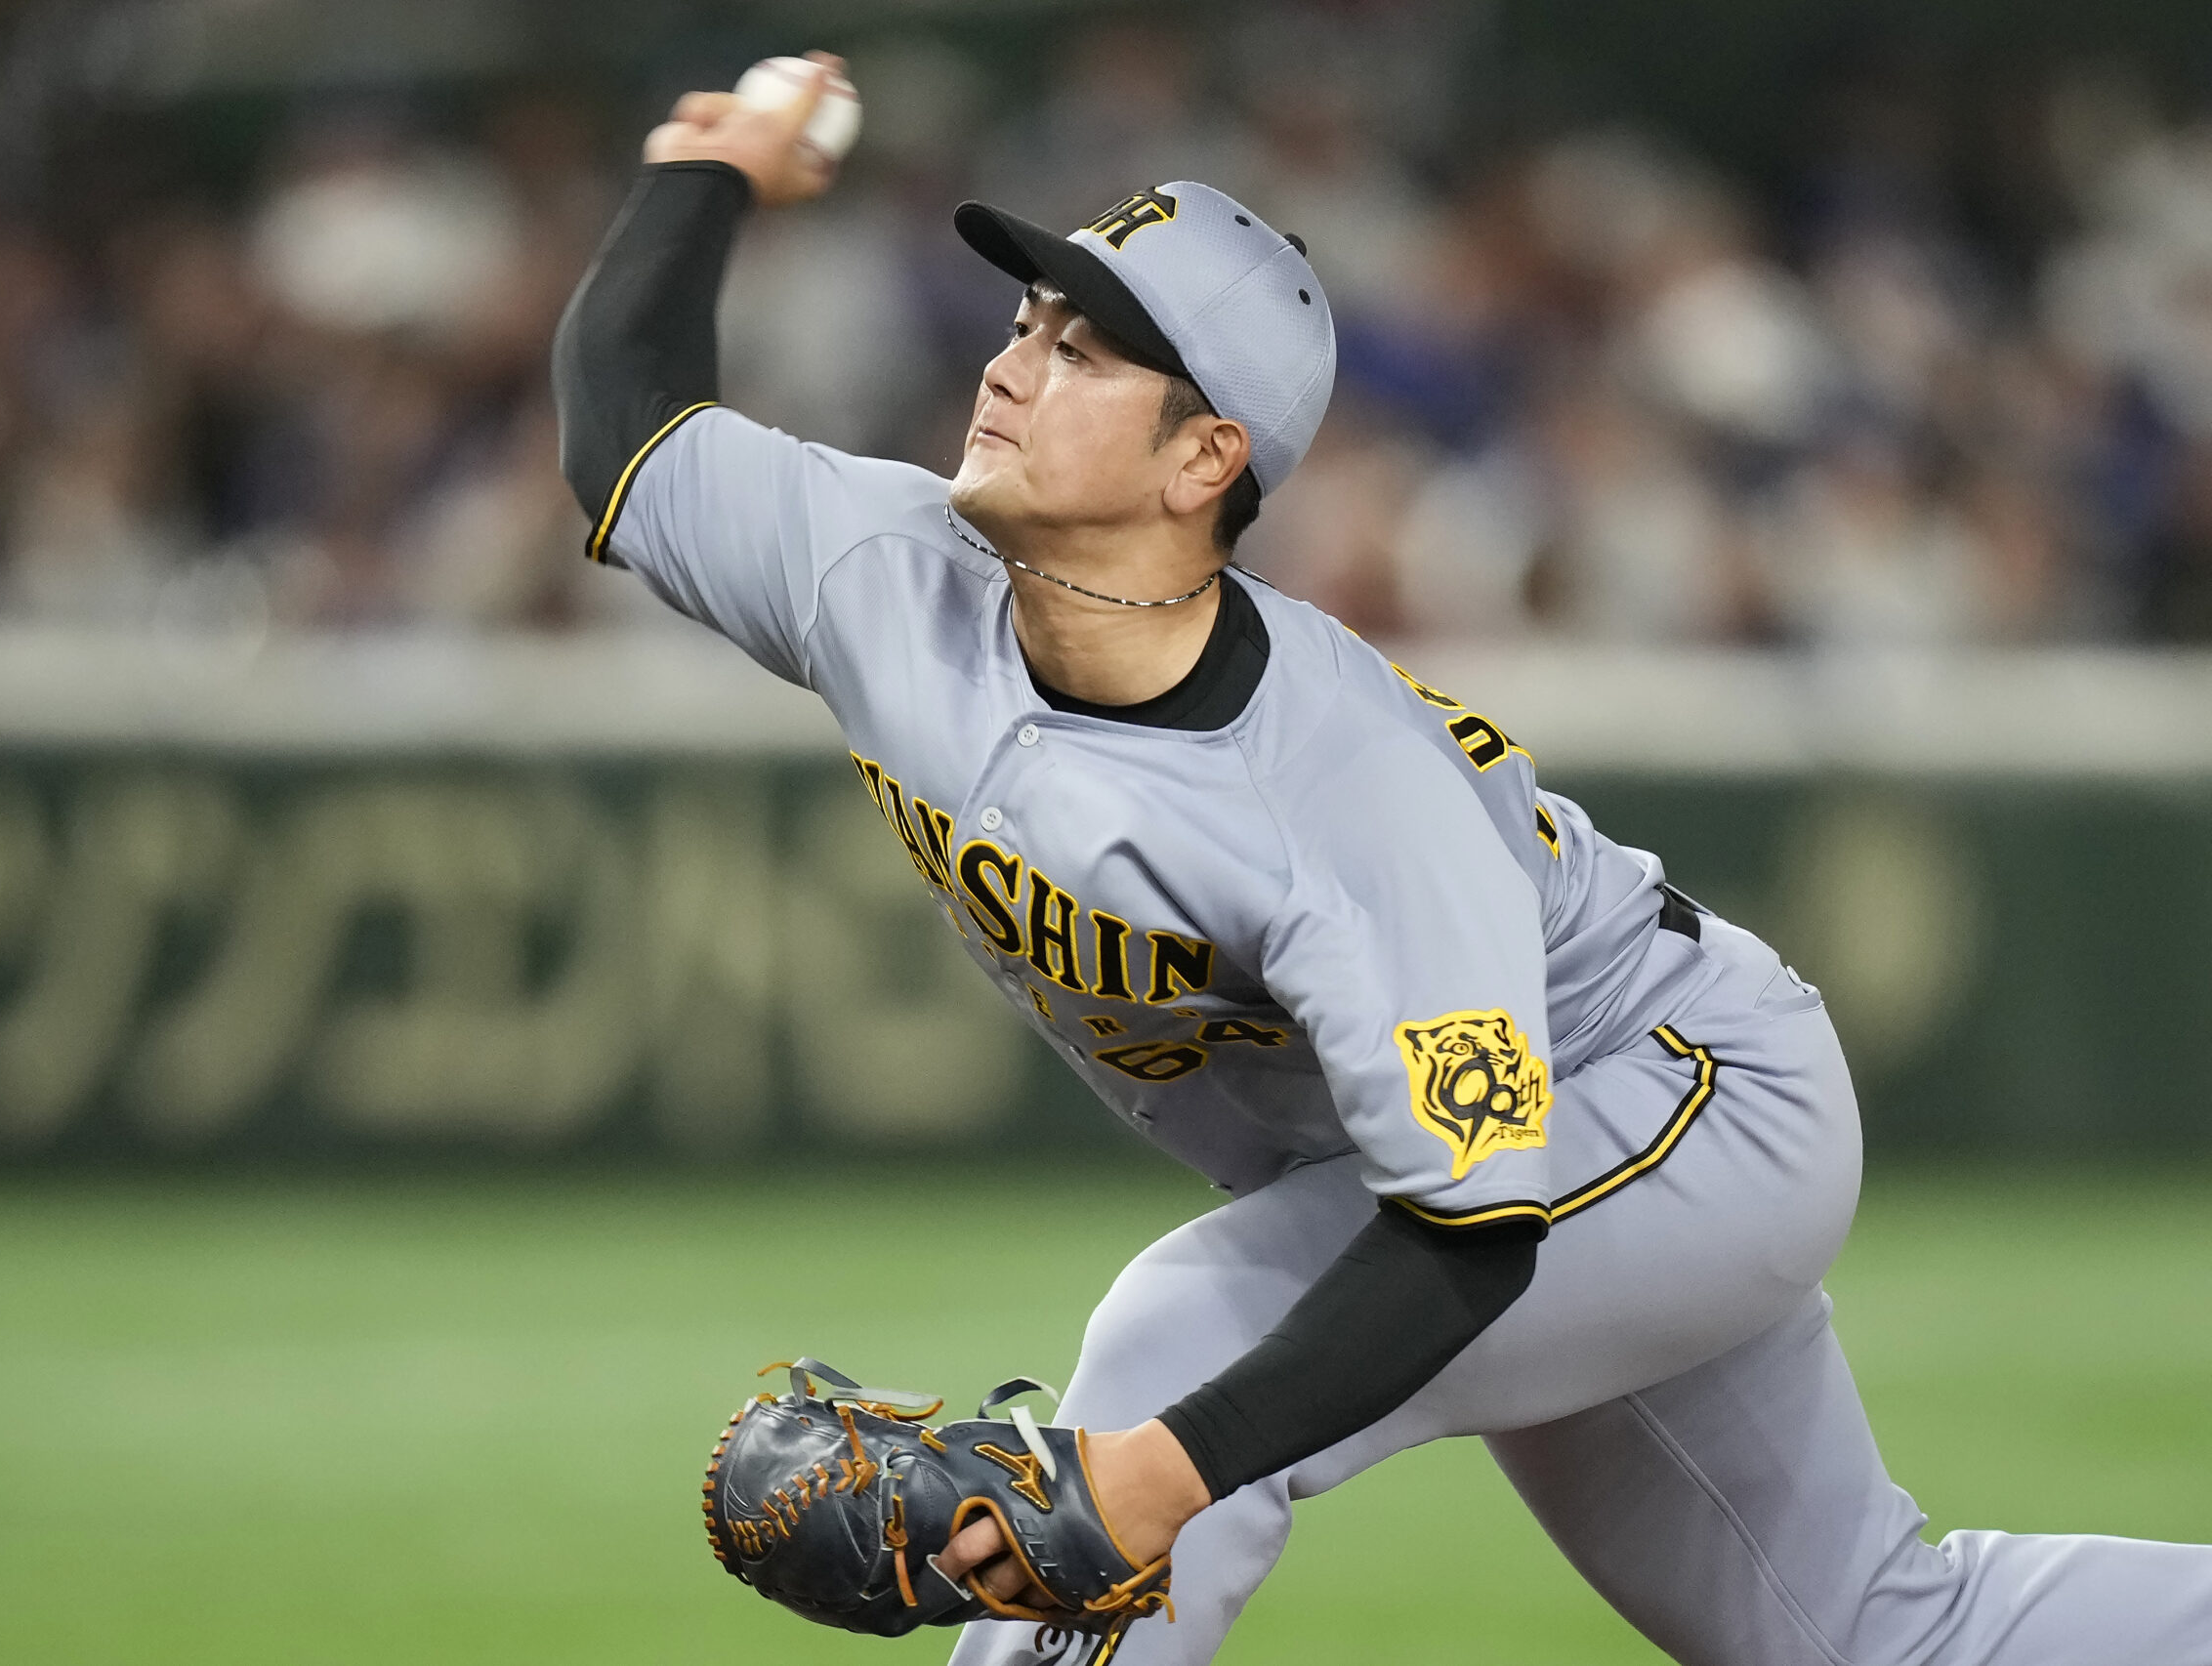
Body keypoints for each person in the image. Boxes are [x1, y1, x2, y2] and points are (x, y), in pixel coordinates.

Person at [553, 53, 2212, 1666]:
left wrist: (1148, 1474)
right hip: (1470, 1166)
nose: (1012, 362)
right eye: (1024, 321)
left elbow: (1472, 1232)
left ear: (1206, 459)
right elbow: (625, 424)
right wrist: (712, 169)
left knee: (1179, 1345)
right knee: (1862, 1632)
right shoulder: (880, 571)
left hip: (1676, 1099)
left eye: (1083, 350)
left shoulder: (1341, 790)